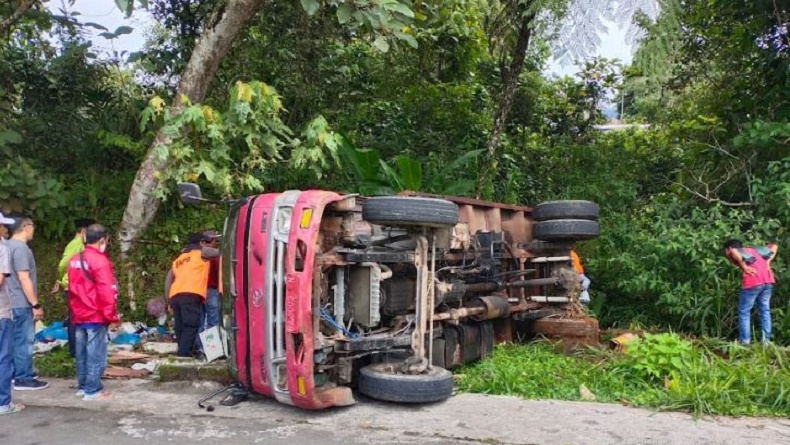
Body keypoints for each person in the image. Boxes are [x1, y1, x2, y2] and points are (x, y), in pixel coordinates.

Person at [67, 223, 119, 400]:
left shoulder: (74, 259)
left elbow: (72, 287)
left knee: (81, 353)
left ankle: (83, 386)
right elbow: (106, 291)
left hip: (78, 313)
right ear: (103, 239)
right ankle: (92, 389)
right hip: (95, 313)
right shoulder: (100, 260)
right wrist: (111, 315)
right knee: (95, 353)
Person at [6, 216, 48, 391]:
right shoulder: (21, 249)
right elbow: (24, 277)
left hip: (7, 302)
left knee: (11, 341)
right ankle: (24, 378)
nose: (34, 229)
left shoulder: (5, 246)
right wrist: (35, 304)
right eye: (33, 226)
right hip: (21, 302)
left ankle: (14, 374)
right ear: (26, 227)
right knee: (24, 341)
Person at [165, 233, 219, 357]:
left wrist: (168, 300)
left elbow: (169, 278)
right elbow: (221, 252)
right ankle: (184, 354)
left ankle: (183, 350)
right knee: (191, 324)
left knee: (180, 326)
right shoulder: (201, 252)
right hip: (191, 293)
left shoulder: (179, 258)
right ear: (201, 242)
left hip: (175, 295)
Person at [52, 218, 96, 357]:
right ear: (83, 231)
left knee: (77, 317)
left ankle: (78, 350)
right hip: (74, 286)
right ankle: (75, 351)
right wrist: (62, 278)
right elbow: (63, 263)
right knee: (75, 319)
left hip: (76, 285)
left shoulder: (78, 244)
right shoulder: (76, 245)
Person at [723, 239, 778, 345]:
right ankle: (766, 342)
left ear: (728, 249)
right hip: (768, 281)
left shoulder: (734, 251)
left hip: (753, 281)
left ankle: (745, 342)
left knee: (744, 311)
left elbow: (734, 251)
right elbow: (774, 246)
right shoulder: (755, 250)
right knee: (764, 311)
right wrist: (768, 262)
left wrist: (744, 267)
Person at [0, 212, 24, 414]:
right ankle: (3, 403)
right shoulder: (2, 249)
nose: (5, 229)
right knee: (3, 357)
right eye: (2, 226)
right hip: (0, 312)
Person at [201, 230, 221, 333]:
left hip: (198, 291)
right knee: (213, 321)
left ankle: (198, 346)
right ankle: (211, 348)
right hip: (211, 291)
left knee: (199, 320)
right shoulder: (215, 256)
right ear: (212, 240)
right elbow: (220, 275)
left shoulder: (197, 255)